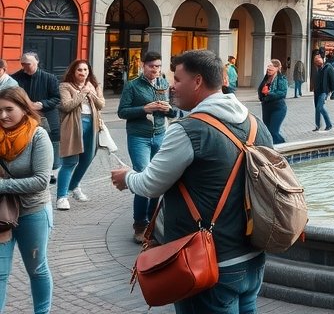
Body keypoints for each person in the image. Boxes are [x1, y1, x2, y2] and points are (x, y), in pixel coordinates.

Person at [111, 49, 272, 313]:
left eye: (177, 79)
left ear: (197, 82)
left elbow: (151, 185)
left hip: (208, 262)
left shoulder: (189, 130)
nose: (172, 86)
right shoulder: (254, 123)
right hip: (252, 258)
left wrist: (127, 177)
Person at [0, 86, 53, 313]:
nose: (3, 115)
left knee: (37, 269)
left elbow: (41, 180)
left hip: (33, 212)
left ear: (23, 108)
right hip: (2, 213)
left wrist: (3, 185)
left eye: (9, 109)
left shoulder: (37, 135)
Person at [117, 50, 177, 243]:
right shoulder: (132, 85)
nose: (156, 70)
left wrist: (169, 109)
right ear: (143, 66)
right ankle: (139, 225)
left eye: (158, 66)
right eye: (152, 66)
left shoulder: (164, 84)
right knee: (143, 177)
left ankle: (153, 221)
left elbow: (174, 112)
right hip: (139, 137)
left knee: (158, 178)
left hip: (160, 135)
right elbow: (122, 112)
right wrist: (145, 109)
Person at [56, 59, 104, 210]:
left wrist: (92, 93)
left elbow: (101, 104)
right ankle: (61, 197)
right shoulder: (65, 86)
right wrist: (82, 92)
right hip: (73, 124)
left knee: (87, 158)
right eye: (79, 70)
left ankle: (74, 187)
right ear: (73, 72)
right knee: (70, 161)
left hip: (93, 123)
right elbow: (66, 106)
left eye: (85, 70)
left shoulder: (94, 85)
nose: (83, 73)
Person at [11, 53, 61, 181]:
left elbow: (56, 98)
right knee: (26, 141)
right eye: (22, 64)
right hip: (24, 114)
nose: (24, 67)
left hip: (47, 114)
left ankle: (51, 170)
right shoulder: (16, 78)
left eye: (28, 64)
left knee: (52, 139)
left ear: (37, 62)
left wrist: (42, 104)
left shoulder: (50, 78)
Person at [257, 59, 289, 144]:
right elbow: (260, 90)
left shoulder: (281, 78)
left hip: (278, 107)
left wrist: (269, 93)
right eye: (268, 67)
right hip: (266, 107)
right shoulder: (266, 79)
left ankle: (282, 145)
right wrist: (262, 97)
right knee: (267, 132)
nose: (269, 69)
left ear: (277, 68)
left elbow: (283, 93)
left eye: (271, 67)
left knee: (273, 132)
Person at [312, 52, 334, 132]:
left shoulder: (328, 67)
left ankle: (329, 124)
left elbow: (333, 80)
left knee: (320, 107)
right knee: (317, 109)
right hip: (317, 91)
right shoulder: (318, 68)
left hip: (324, 91)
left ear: (322, 60)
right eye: (315, 62)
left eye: (317, 61)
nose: (316, 63)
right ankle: (317, 126)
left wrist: (332, 91)